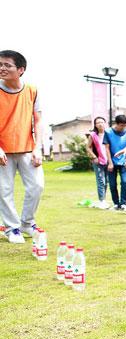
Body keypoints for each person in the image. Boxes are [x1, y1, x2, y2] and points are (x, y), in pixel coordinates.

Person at [0, 50, 44, 244]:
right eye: (0, 64)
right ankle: (12, 228)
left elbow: (38, 120)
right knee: (4, 190)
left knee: (37, 186)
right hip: (3, 151)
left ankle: (27, 223)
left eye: (7, 65)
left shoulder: (32, 90)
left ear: (20, 70)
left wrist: (38, 147)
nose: (2, 68)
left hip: (27, 148)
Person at [104, 114, 126, 211]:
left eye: (125, 125)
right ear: (116, 124)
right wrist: (110, 162)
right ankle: (116, 204)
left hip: (124, 162)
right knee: (112, 184)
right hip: (112, 162)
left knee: (125, 182)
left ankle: (123, 203)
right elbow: (107, 148)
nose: (123, 127)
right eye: (121, 125)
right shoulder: (108, 132)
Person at [86, 116, 110, 210]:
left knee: (107, 181)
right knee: (100, 180)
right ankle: (102, 201)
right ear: (95, 125)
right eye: (98, 122)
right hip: (98, 161)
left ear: (105, 123)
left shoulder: (109, 134)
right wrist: (94, 157)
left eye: (102, 122)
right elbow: (88, 147)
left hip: (108, 161)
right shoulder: (93, 135)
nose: (100, 124)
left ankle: (103, 199)